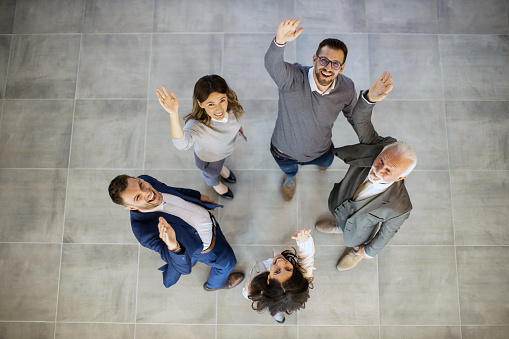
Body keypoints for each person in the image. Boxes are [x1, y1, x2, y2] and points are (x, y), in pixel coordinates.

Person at [315, 72, 417, 271]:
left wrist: (366, 251)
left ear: (401, 177)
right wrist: (369, 98)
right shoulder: (375, 147)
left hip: (359, 233)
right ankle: (339, 225)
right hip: (341, 201)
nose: (378, 171)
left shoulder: (400, 208)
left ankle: (353, 252)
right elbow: (361, 120)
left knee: (353, 239)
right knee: (341, 217)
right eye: (380, 162)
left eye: (389, 171)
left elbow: (385, 234)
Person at [265, 19, 357, 201]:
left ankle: (319, 165)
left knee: (326, 163)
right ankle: (290, 178)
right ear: (315, 59)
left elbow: (355, 116)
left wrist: (369, 101)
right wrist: (279, 41)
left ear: (341, 68)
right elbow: (272, 65)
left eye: (335, 64)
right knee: (289, 170)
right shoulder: (292, 79)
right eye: (324, 60)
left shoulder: (346, 87)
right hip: (284, 152)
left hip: (322, 150)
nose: (328, 68)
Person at [108, 174, 244, 290]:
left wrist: (197, 196)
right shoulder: (144, 231)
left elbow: (172, 190)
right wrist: (174, 247)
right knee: (228, 263)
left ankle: (192, 258)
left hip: (202, 231)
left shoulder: (146, 179)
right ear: (130, 207)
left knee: (190, 254)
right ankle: (215, 285)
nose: (147, 192)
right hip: (210, 247)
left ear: (136, 178)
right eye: (138, 197)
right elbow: (181, 268)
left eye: (141, 185)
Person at [156, 75, 244, 199]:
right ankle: (215, 184)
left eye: (222, 100)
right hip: (209, 160)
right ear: (200, 103)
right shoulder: (197, 125)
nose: (219, 109)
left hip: (225, 150)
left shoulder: (231, 106)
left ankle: (222, 168)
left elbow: (234, 120)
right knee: (211, 174)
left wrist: (237, 129)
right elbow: (182, 145)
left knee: (221, 162)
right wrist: (173, 114)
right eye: (211, 104)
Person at [243, 229, 315, 324]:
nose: (281, 262)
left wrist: (246, 291)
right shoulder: (301, 278)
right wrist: (304, 242)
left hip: (273, 302)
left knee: (275, 310)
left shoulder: (256, 288)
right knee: (278, 307)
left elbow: (248, 292)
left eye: (277, 271)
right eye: (288, 269)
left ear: (268, 280)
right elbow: (307, 259)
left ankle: (279, 317)